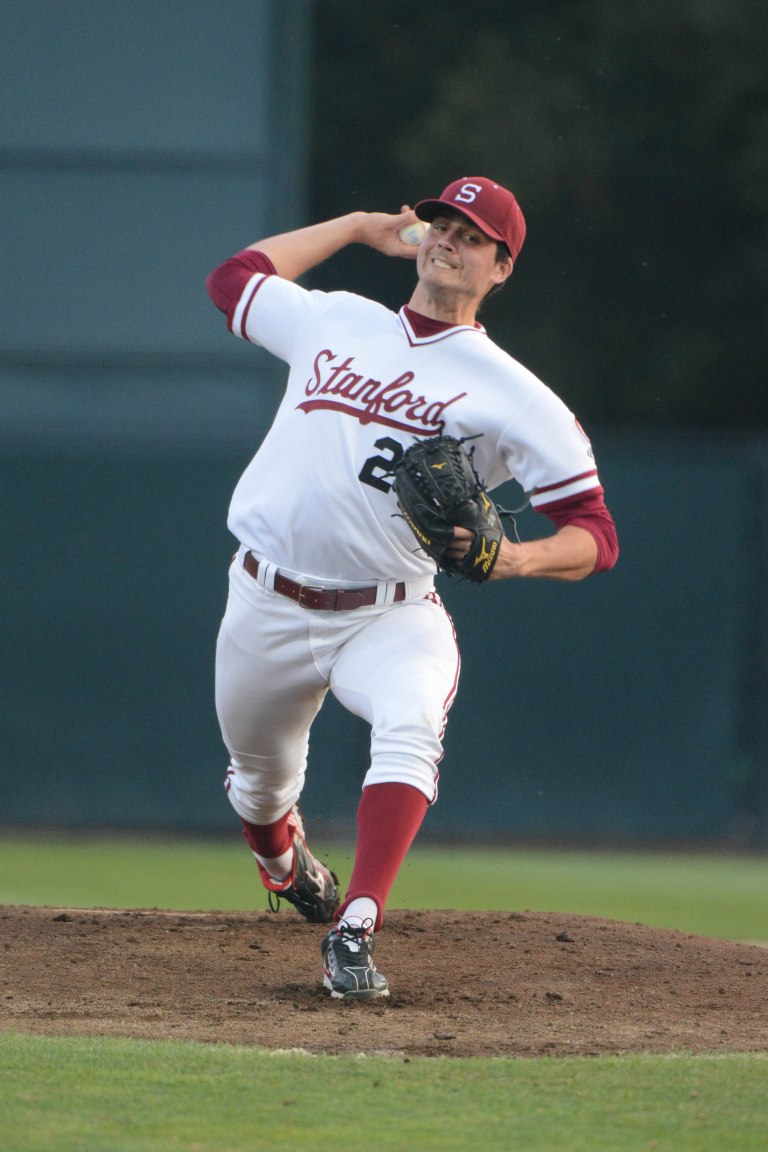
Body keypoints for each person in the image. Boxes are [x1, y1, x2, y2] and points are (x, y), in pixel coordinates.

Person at [205, 176, 619, 1001]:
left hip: (388, 613)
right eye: (440, 223)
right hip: (264, 601)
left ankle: (356, 924)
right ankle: (282, 863)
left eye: (470, 236)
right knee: (259, 784)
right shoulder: (339, 319)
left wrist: (521, 559)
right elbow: (233, 279)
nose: (446, 240)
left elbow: (596, 534)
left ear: (502, 267)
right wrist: (358, 226)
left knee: (410, 725)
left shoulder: (514, 393)